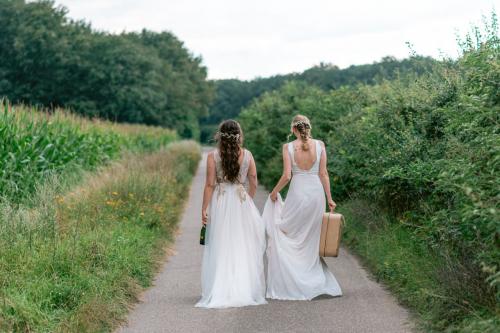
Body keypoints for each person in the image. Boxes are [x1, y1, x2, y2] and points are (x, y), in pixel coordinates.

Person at [263, 114, 342, 300]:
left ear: (293, 129)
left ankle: (295, 279)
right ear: (309, 127)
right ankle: (313, 279)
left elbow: (287, 176)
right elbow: (324, 174)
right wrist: (329, 198)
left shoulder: (288, 147)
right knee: (311, 239)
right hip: (316, 195)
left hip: (297, 194)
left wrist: (274, 192)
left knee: (290, 233)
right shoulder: (320, 145)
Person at [196, 120, 267, 308]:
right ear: (239, 135)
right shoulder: (248, 155)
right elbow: (253, 182)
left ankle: (221, 287)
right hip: (240, 200)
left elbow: (210, 185)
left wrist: (204, 208)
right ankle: (242, 288)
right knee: (241, 243)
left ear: (220, 135)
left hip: (220, 201)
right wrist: (248, 200)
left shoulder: (213, 156)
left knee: (221, 243)